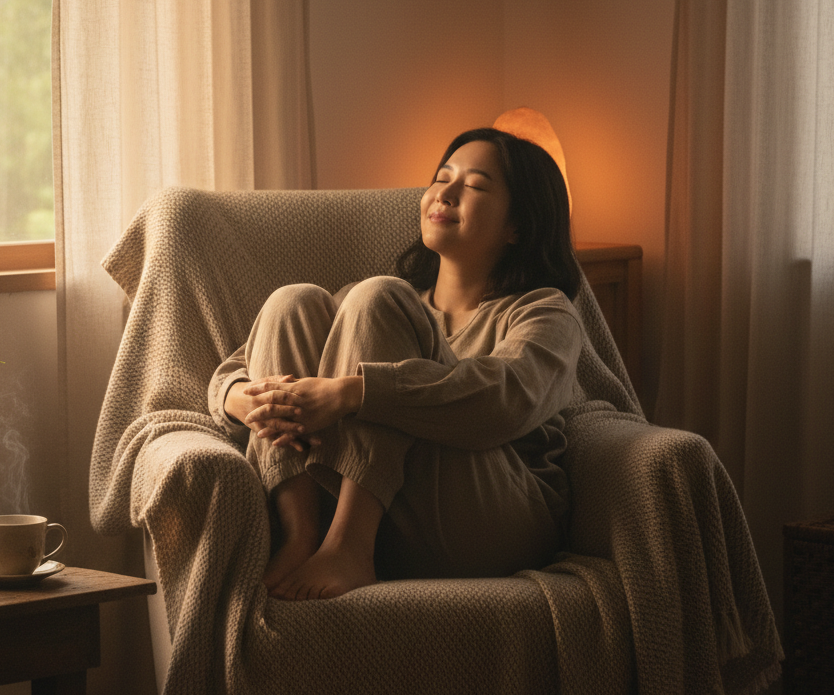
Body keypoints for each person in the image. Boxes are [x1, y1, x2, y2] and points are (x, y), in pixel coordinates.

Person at [208, 127, 584, 601]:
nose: (444, 192)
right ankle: (300, 535)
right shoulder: (380, 308)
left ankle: (350, 545)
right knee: (293, 302)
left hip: (496, 519)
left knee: (378, 296)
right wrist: (241, 398)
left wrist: (353, 393)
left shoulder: (542, 311)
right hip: (399, 518)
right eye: (442, 177)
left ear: (518, 226)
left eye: (474, 185)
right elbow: (233, 367)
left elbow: (508, 400)